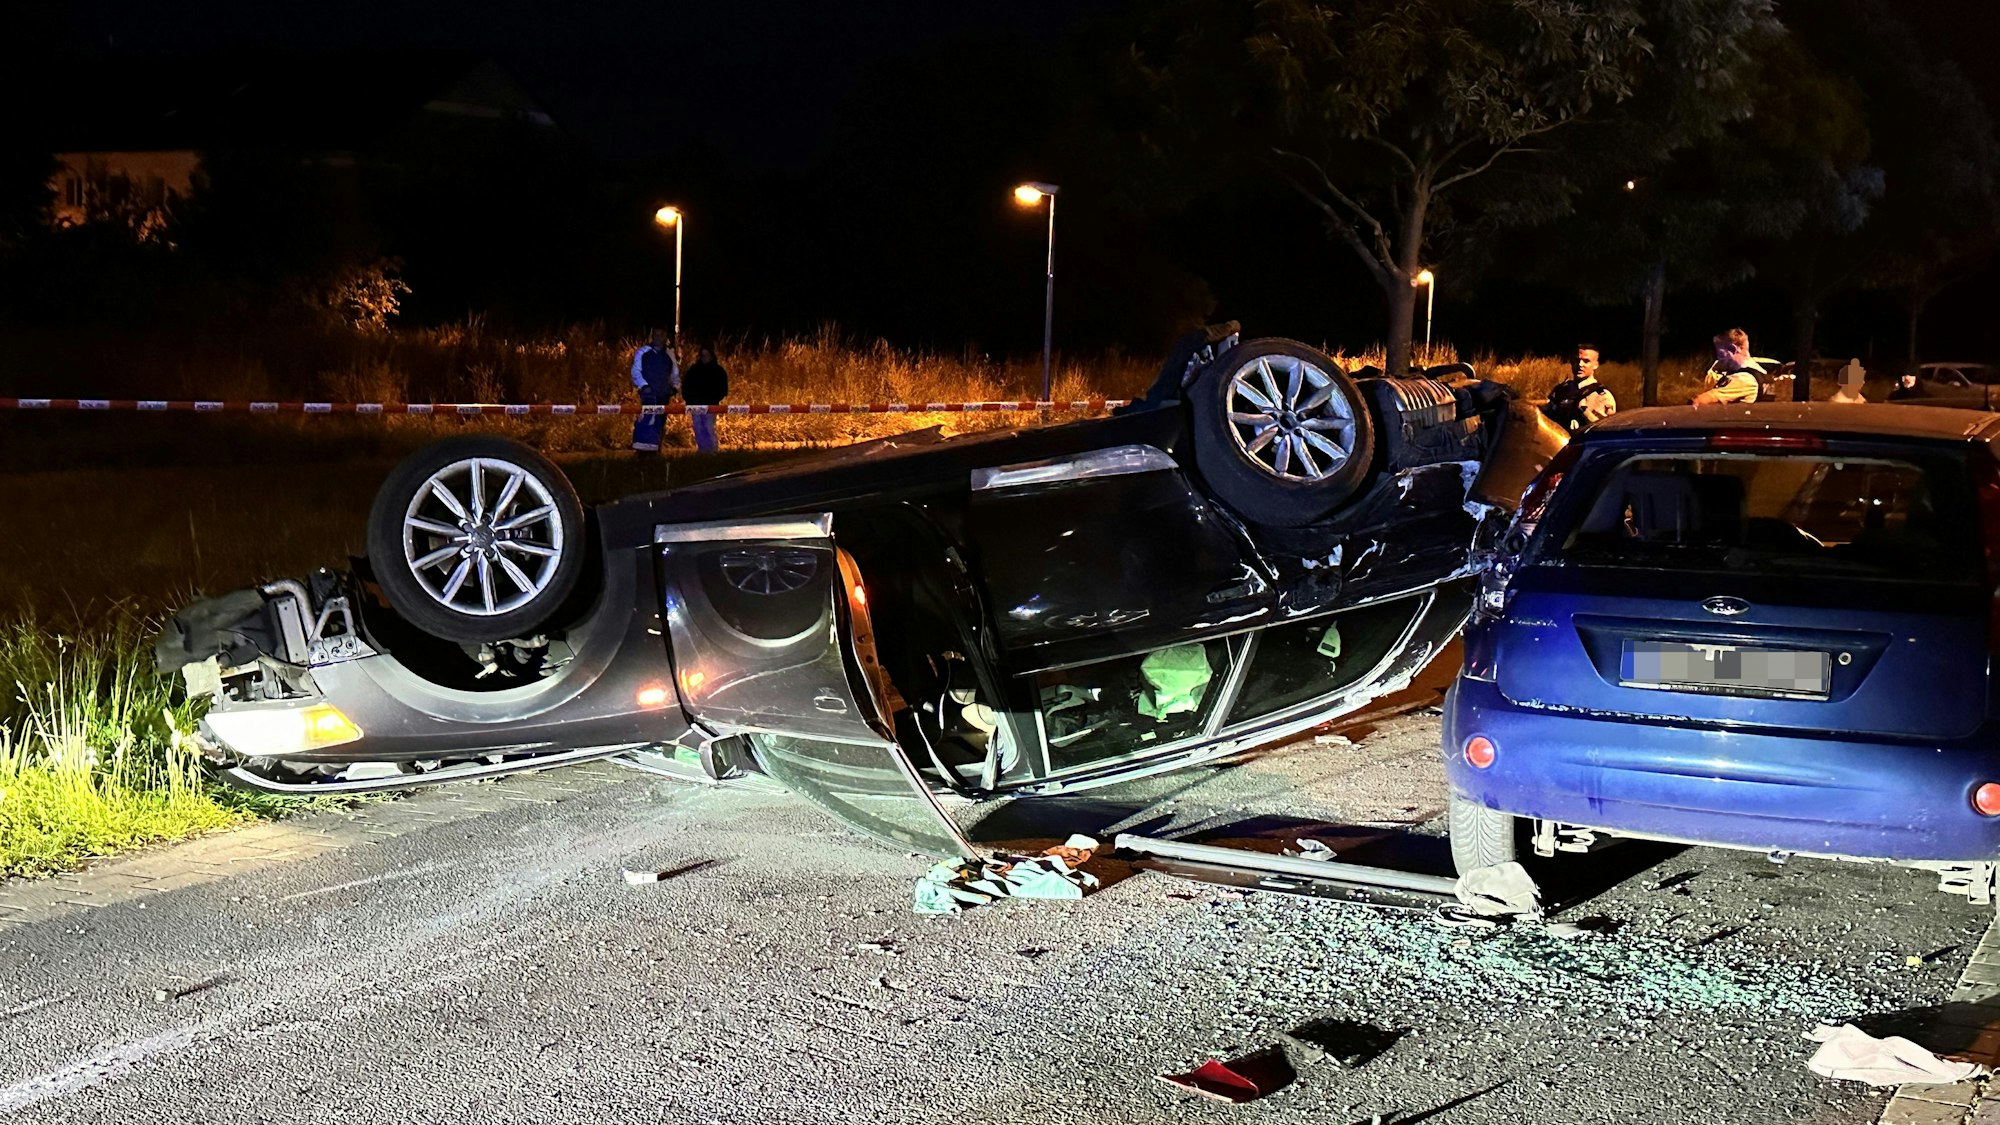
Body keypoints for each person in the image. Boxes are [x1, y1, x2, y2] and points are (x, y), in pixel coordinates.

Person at [1543, 343, 1618, 431]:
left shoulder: (1603, 396)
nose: (1580, 364)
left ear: (1596, 364)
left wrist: (1584, 411)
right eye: (1576, 360)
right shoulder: (1561, 390)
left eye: (1586, 361)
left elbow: (1606, 431)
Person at [630, 331, 679, 452]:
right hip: (648, 396)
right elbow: (636, 371)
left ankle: (657, 452)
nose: (658, 337)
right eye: (656, 335)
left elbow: (674, 373)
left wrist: (675, 387)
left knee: (660, 423)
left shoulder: (669, 354)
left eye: (661, 335)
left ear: (665, 337)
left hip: (663, 395)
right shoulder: (643, 352)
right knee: (645, 423)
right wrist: (644, 386)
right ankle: (641, 453)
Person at [1692, 328, 1765, 406]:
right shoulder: (1755, 370)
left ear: (1734, 349)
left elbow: (1702, 401)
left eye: (1720, 353)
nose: (1719, 359)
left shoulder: (1743, 378)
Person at [680, 345, 730, 454]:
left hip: (711, 405)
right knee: (698, 427)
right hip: (695, 404)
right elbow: (686, 386)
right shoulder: (694, 370)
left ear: (711, 356)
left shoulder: (718, 370)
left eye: (707, 355)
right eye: (702, 355)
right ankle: (702, 450)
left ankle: (712, 450)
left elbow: (723, 389)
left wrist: (714, 399)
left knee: (708, 427)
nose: (704, 357)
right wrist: (689, 400)